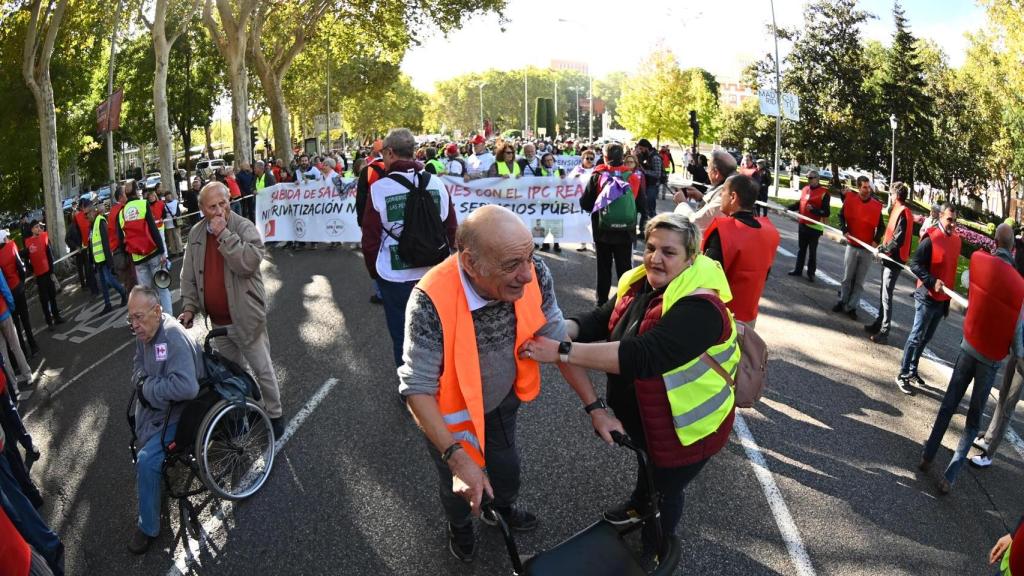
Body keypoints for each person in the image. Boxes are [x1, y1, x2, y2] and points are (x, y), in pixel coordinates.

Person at [399, 205, 617, 562]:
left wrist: (596, 408)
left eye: (529, 257)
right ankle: (461, 526)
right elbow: (416, 387)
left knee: (507, 470)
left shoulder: (535, 271)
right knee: (457, 487)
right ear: (470, 263)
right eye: (512, 265)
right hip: (451, 418)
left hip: (502, 401)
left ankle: (500, 507)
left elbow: (557, 343)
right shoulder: (428, 301)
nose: (528, 275)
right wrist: (456, 459)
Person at [520, 212, 738, 562]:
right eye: (651, 248)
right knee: (648, 469)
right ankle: (639, 505)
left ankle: (656, 548)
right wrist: (564, 330)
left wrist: (562, 351)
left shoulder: (701, 308)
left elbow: (642, 355)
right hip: (649, 421)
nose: (655, 258)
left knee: (666, 491)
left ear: (691, 257)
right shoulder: (642, 284)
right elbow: (602, 319)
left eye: (669, 252)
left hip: (686, 430)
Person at [919, 224, 1024, 493]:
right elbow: (1016, 335)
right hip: (991, 358)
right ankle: (950, 475)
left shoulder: (978, 260)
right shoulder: (1020, 286)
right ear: (1013, 248)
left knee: (949, 403)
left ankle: (928, 454)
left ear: (995, 242)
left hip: (969, 346)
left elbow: (970, 288)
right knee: (973, 420)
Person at [178, 182, 285, 437]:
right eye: (212, 206)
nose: (218, 210)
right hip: (219, 323)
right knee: (232, 374)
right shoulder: (195, 235)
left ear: (229, 201)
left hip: (247, 317)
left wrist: (224, 234)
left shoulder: (243, 227)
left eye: (223, 203)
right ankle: (243, 412)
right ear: (202, 209)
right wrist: (190, 308)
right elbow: (188, 276)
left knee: (263, 369)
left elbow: (247, 264)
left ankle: (275, 413)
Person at [361, 128, 457, 368]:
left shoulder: (379, 189)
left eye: (383, 153)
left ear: (391, 153)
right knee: (438, 329)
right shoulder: (437, 183)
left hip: (395, 275)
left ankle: (411, 390)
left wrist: (375, 273)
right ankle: (440, 379)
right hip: (435, 272)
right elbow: (451, 227)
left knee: (402, 333)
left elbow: (370, 238)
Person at [126, 285, 202, 554]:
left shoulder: (170, 337)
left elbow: (188, 388)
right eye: (130, 318)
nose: (134, 325)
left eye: (139, 317)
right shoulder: (145, 333)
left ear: (157, 311)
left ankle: (148, 527)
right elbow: (137, 368)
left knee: (147, 460)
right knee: (138, 429)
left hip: (183, 413)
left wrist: (147, 388)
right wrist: (144, 383)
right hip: (159, 410)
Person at [896, 204, 961, 394]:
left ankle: (913, 370)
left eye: (955, 221)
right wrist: (932, 281)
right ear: (941, 216)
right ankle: (902, 373)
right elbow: (914, 264)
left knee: (926, 338)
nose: (952, 224)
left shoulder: (956, 241)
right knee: (916, 337)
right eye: (949, 219)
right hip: (926, 297)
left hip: (941, 301)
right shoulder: (931, 238)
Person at [701, 174, 780, 325]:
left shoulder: (724, 231)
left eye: (722, 191)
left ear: (733, 197)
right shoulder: (771, 232)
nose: (720, 196)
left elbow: (706, 278)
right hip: (749, 316)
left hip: (720, 317)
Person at [580, 143, 642, 306]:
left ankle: (601, 302)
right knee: (625, 267)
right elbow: (641, 205)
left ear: (605, 157)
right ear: (622, 157)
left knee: (604, 267)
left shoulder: (598, 175)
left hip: (603, 230)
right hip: (626, 231)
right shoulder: (633, 177)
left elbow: (586, 203)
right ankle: (626, 301)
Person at [971, 305, 1024, 468]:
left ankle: (989, 454)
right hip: (1018, 349)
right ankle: (988, 438)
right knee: (1002, 396)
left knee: (1009, 405)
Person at [865, 182, 913, 344]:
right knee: (883, 293)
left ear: (896, 196)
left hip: (894, 259)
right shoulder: (899, 210)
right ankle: (879, 323)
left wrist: (883, 249)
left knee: (886, 296)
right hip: (891, 257)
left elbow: (898, 239)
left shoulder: (903, 212)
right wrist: (883, 248)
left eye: (891, 194)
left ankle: (884, 331)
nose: (890, 197)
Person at [832, 176, 884, 320]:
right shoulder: (850, 201)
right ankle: (842, 301)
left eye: (869, 187)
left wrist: (875, 240)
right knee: (847, 278)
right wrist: (845, 230)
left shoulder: (875, 206)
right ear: (859, 188)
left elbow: (881, 227)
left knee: (859, 281)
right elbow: (841, 216)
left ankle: (852, 307)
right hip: (852, 246)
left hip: (866, 249)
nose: (868, 190)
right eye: (865, 187)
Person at [118, 186, 172, 315]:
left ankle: (154, 321)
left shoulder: (122, 212)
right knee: (162, 288)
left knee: (148, 294)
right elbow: (153, 229)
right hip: (153, 252)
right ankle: (170, 319)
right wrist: (162, 251)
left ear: (126, 195)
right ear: (137, 192)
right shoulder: (143, 204)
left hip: (137, 258)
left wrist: (129, 254)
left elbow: (122, 239)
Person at [673, 150, 738, 232]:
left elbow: (696, 223)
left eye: (708, 168)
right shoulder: (733, 187)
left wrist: (682, 203)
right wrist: (702, 198)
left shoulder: (726, 193)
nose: (707, 171)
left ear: (716, 173)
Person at [786, 170, 830, 282]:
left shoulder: (824, 193)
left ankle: (811, 273)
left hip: (815, 226)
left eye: (811, 178)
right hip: (803, 223)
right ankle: (798, 269)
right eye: (808, 178)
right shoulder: (805, 189)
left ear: (817, 178)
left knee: (812, 251)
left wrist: (814, 210)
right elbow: (799, 203)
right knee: (801, 249)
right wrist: (788, 208)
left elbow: (826, 212)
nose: (809, 180)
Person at [0, 232, 37, 358]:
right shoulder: (11, 246)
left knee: (16, 325)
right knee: (25, 319)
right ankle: (33, 346)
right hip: (18, 288)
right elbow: (20, 265)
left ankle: (23, 352)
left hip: (8, 293)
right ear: (4, 239)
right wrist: (21, 282)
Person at [87, 203, 127, 314]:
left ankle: (123, 292)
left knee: (109, 280)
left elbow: (106, 242)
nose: (87, 217)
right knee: (103, 284)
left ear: (93, 212)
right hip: (98, 260)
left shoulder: (100, 221)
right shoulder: (92, 225)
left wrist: (110, 261)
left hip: (104, 259)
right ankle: (107, 304)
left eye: (88, 214)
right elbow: (92, 245)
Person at [23, 222, 64, 330]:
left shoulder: (44, 236)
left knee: (52, 295)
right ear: (32, 230)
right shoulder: (27, 242)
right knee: (44, 300)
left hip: (47, 272)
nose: (39, 228)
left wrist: (51, 271)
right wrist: (32, 270)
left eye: (39, 227)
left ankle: (57, 317)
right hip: (39, 275)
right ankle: (49, 322)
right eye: (36, 227)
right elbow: (26, 260)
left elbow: (49, 254)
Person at [0, 271, 32, 388]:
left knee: (3, 354)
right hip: (3, 312)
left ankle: (13, 386)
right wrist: (11, 306)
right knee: (15, 346)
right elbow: (4, 289)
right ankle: (28, 376)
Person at [109, 183, 138, 293]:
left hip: (118, 251)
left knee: (129, 282)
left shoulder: (114, 210)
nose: (128, 195)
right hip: (123, 251)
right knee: (132, 281)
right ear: (121, 198)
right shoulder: (121, 210)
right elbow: (122, 233)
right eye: (126, 193)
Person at [634, 139, 663, 233]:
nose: (640, 151)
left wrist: (644, 171)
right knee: (644, 209)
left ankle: (656, 230)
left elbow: (657, 174)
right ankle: (643, 231)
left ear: (646, 148)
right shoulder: (646, 156)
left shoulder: (655, 158)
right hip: (646, 186)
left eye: (641, 149)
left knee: (650, 209)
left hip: (652, 186)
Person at [72, 198, 98, 295]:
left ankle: (105, 283)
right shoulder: (77, 217)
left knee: (100, 266)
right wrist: (78, 245)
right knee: (89, 269)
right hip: (86, 247)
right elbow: (76, 232)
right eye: (86, 206)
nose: (88, 208)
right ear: (82, 207)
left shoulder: (93, 214)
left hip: (95, 243)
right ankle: (93, 289)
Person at [162, 191, 183, 257]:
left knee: (177, 237)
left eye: (169, 195)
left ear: (171, 195)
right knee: (170, 238)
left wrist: (176, 215)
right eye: (167, 196)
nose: (168, 197)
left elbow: (178, 211)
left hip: (176, 221)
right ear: (165, 197)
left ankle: (180, 250)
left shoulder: (175, 202)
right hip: (168, 222)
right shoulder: (164, 204)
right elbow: (163, 213)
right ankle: (173, 252)